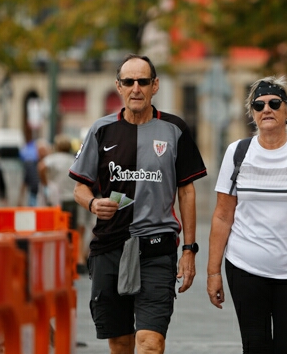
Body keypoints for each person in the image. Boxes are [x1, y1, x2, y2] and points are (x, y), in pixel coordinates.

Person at [69, 54, 207, 354]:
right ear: (118, 86)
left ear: (154, 85)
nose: (136, 88)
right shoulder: (101, 130)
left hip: (157, 248)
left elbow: (187, 192)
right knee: (120, 343)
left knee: (150, 342)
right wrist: (93, 204)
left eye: (143, 81)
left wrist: (189, 250)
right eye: (128, 82)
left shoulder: (175, 129)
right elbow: (79, 187)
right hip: (110, 247)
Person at [206, 76, 287, 354]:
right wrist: (213, 271)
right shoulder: (237, 153)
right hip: (245, 267)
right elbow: (222, 215)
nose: (267, 109)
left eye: (275, 103)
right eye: (259, 105)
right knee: (256, 348)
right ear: (252, 113)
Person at [39, 134, 82, 264]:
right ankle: (70, 258)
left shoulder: (52, 159)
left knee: (56, 229)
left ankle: (55, 258)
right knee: (71, 229)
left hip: (56, 199)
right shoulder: (74, 159)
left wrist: (46, 182)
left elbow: (41, 167)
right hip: (72, 199)